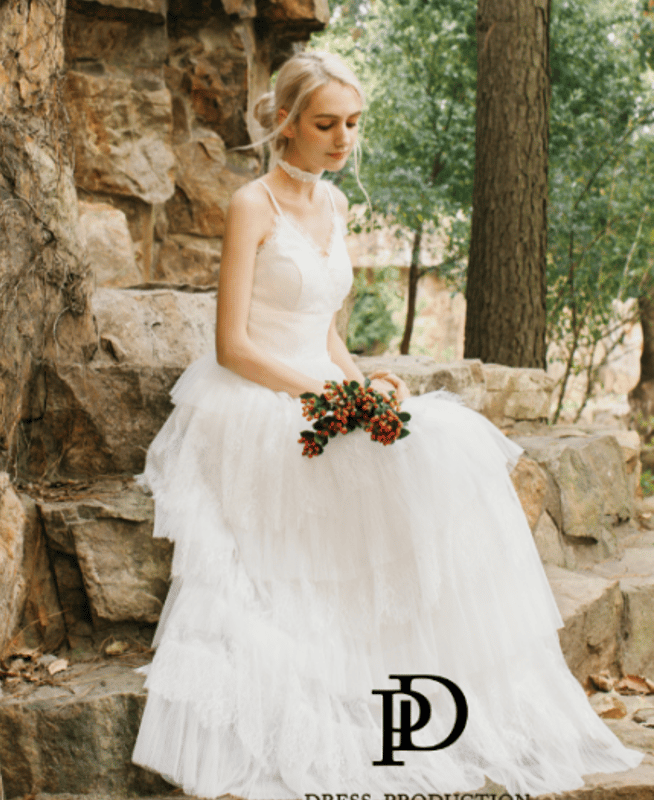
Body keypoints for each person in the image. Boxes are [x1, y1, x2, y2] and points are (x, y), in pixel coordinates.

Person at [131, 51, 642, 798]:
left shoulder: (335, 205)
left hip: (326, 384)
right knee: (369, 458)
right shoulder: (252, 206)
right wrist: (329, 397)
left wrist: (365, 383)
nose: (344, 139)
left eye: (353, 123)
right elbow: (233, 345)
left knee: (448, 443)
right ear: (285, 123)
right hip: (256, 397)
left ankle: (440, 679)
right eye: (326, 124)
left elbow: (327, 330)